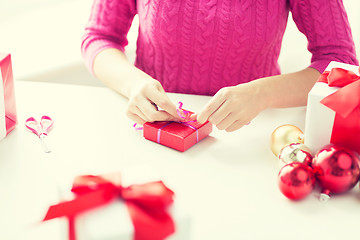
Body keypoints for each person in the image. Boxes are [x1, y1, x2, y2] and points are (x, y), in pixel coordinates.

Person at [81, 0, 358, 132]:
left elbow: (340, 63)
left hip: (251, 134)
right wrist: (133, 84)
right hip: (151, 129)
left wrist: (263, 94)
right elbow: (99, 37)